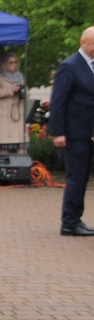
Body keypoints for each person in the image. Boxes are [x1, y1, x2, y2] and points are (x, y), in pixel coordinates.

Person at [48, 26, 94, 237]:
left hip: (88, 132)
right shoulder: (70, 66)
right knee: (76, 177)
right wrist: (58, 132)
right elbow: (58, 101)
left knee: (84, 177)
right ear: (82, 42)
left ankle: (77, 218)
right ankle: (69, 222)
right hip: (75, 132)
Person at [0, 53, 26, 153]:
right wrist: (10, 90)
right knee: (4, 148)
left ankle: (23, 168)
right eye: (10, 63)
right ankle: (2, 168)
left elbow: (27, 92)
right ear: (4, 64)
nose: (14, 65)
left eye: (15, 62)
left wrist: (23, 92)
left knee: (22, 147)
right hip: (4, 118)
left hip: (17, 116)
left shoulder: (20, 77)